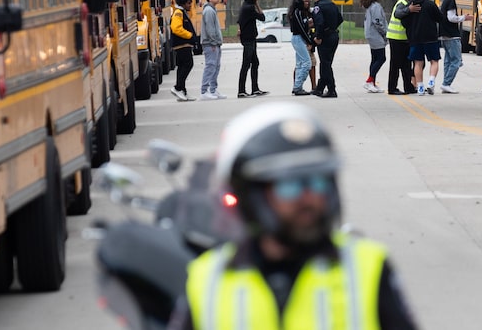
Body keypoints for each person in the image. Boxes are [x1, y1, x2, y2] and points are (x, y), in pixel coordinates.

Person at [168, 102, 419, 330]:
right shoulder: (207, 278)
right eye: (290, 186)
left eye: (319, 182)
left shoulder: (368, 268)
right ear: (251, 193)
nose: (309, 198)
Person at [394, 0, 443, 96]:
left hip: (415, 38)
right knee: (434, 61)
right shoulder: (430, 4)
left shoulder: (410, 6)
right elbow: (440, 18)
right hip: (430, 38)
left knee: (417, 63)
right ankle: (431, 81)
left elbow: (403, 20)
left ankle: (420, 87)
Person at [438, 0, 473, 94]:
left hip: (444, 34)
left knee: (448, 61)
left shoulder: (445, 0)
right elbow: (451, 18)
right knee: (457, 61)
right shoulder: (451, 1)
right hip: (452, 35)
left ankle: (445, 83)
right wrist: (464, 18)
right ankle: (446, 83)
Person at [237, 0, 268, 98]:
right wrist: (257, 4)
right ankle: (241, 90)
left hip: (250, 38)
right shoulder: (249, 7)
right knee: (246, 64)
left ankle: (255, 88)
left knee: (255, 63)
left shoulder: (245, 6)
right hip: (248, 39)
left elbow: (239, 21)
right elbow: (262, 17)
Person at [311, 0, 343, 98]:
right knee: (326, 63)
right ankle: (320, 88)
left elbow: (319, 23)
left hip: (325, 38)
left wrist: (318, 37)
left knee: (325, 64)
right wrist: (332, 27)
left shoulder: (318, 7)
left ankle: (331, 90)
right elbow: (340, 19)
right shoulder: (332, 5)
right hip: (334, 36)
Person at [386, 0, 416, 95]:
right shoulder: (402, 3)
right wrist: (409, 9)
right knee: (395, 64)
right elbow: (397, 14)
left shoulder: (407, 4)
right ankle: (392, 88)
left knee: (406, 65)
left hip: (403, 39)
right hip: (396, 38)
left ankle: (409, 87)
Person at [170, 0, 199, 102]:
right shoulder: (178, 13)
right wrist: (190, 35)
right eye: (188, 3)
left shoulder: (183, 13)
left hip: (184, 44)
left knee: (182, 67)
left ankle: (182, 91)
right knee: (188, 64)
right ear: (183, 4)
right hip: (182, 44)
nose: (190, 5)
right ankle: (177, 87)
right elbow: (176, 28)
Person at [199, 0, 226, 100]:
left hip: (215, 43)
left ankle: (213, 90)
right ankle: (204, 91)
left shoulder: (212, 10)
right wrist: (214, 42)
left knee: (216, 66)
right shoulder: (209, 11)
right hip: (210, 44)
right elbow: (210, 29)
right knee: (210, 66)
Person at [361, 0, 387, 93]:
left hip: (371, 34)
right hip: (375, 35)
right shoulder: (376, 6)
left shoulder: (371, 6)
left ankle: (372, 82)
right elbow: (377, 22)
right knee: (381, 58)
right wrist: (384, 33)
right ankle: (369, 80)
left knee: (375, 58)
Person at [288, 0, 314, 96]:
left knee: (299, 64)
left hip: (301, 39)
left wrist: (308, 24)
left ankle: (297, 86)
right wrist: (309, 41)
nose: (307, 3)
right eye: (305, 1)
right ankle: (298, 86)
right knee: (307, 63)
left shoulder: (303, 13)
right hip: (298, 39)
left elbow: (304, 27)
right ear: (299, 2)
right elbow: (300, 29)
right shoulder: (297, 12)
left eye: (308, 1)